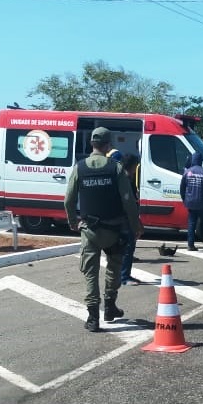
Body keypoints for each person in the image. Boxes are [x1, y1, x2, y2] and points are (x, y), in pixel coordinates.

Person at [65, 127, 144, 332]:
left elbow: (68, 200)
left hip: (89, 230)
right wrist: (136, 226)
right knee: (114, 268)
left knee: (90, 273)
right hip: (113, 230)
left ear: (92, 144)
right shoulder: (115, 168)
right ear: (108, 145)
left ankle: (93, 318)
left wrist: (73, 221)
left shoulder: (79, 168)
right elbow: (128, 201)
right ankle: (109, 307)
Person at [119, 154, 142, 286]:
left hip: (124, 217)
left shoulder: (123, 177)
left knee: (126, 248)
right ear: (133, 165)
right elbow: (130, 202)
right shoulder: (126, 179)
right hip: (127, 218)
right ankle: (124, 276)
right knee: (128, 248)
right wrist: (137, 223)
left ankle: (124, 274)